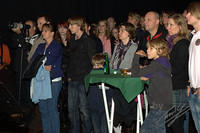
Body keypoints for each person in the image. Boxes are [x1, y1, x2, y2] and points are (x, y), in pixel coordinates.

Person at [132, 38, 172, 133]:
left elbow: (135, 73)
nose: (147, 50)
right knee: (158, 129)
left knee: (145, 130)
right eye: (147, 48)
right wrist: (149, 75)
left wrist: (136, 56)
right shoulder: (163, 61)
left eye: (151, 48)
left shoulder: (157, 64)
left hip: (159, 104)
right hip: (162, 103)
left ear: (160, 50)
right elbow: (155, 74)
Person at [31, 23, 63, 133]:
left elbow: (50, 62)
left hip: (53, 81)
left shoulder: (57, 45)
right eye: (42, 31)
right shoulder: (40, 46)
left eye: (45, 31)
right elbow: (33, 61)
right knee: (43, 109)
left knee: (52, 109)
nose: (43, 33)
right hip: (41, 81)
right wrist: (41, 65)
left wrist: (45, 65)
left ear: (52, 33)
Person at [67, 16, 96, 133]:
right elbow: (70, 59)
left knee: (84, 110)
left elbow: (93, 61)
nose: (69, 27)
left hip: (83, 79)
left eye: (71, 25)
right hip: (72, 79)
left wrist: (89, 78)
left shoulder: (87, 40)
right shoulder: (72, 40)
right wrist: (68, 76)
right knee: (71, 110)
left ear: (78, 26)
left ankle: (87, 130)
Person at [110, 22, 138, 132]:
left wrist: (119, 71)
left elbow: (130, 67)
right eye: (119, 30)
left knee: (124, 102)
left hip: (128, 82)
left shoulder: (134, 47)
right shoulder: (117, 46)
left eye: (122, 30)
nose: (119, 33)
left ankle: (123, 121)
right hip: (116, 80)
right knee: (116, 99)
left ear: (129, 33)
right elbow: (112, 64)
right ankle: (120, 121)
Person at [166, 13, 190, 133]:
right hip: (171, 87)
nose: (167, 27)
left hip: (178, 88)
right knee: (170, 124)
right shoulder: (171, 43)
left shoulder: (183, 44)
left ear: (180, 27)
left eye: (171, 25)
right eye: (167, 25)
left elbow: (177, 68)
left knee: (176, 125)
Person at [87, 53, 112, 133]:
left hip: (105, 107)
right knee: (96, 129)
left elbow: (111, 90)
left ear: (103, 66)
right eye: (94, 65)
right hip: (93, 106)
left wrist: (110, 101)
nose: (95, 68)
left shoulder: (107, 76)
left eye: (98, 65)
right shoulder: (91, 75)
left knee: (104, 128)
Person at [186, 2, 200, 132]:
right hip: (194, 91)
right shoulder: (193, 35)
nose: (187, 15)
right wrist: (190, 83)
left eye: (190, 12)